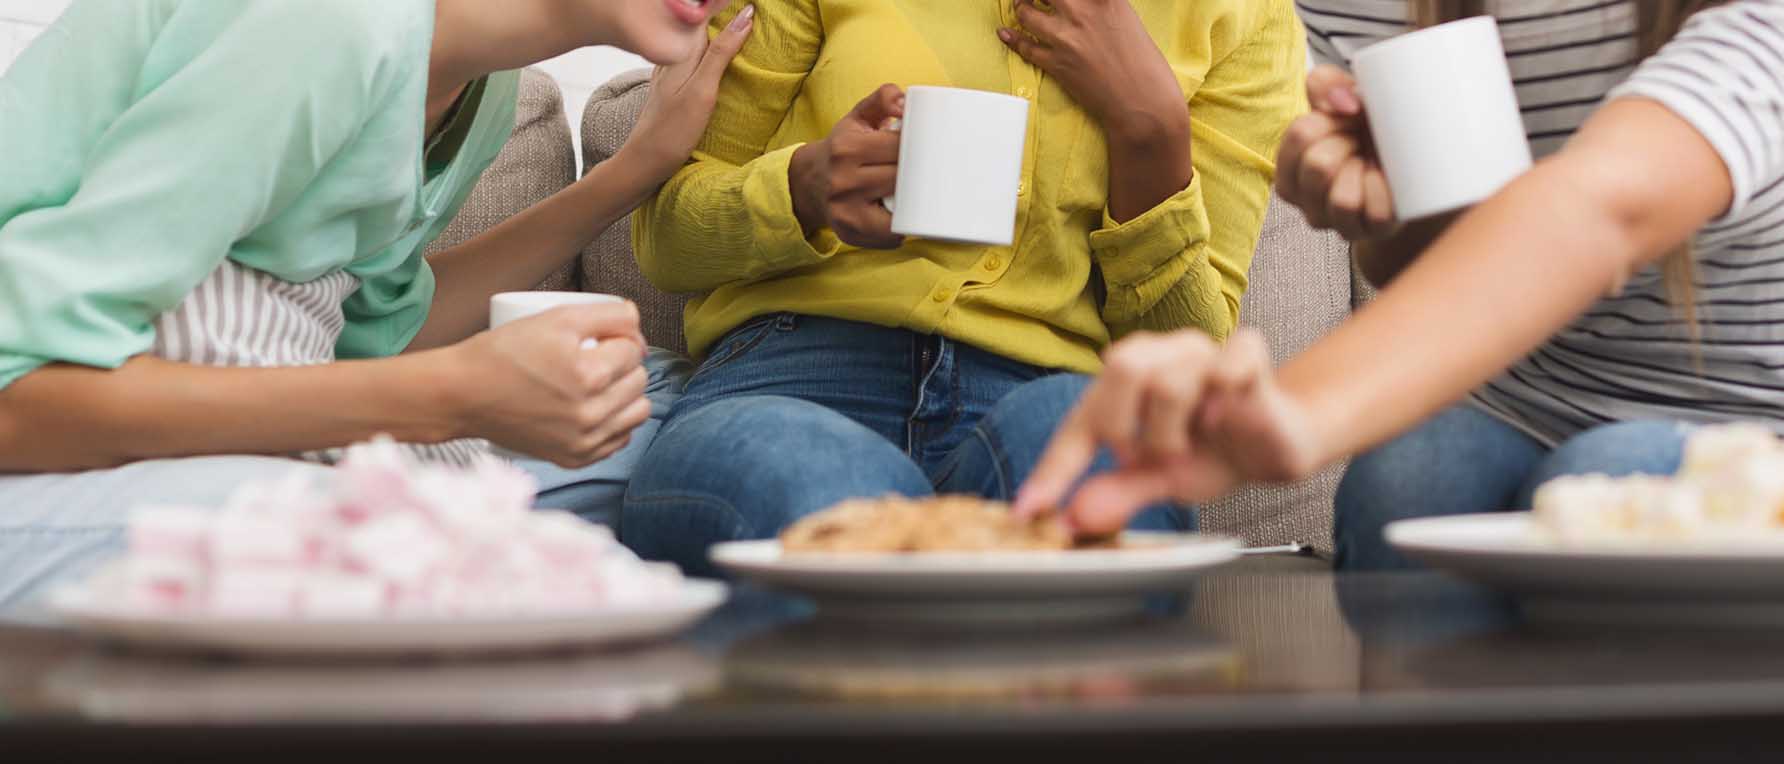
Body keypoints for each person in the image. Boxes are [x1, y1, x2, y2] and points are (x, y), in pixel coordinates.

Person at [1016, 0, 1784, 569]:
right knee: (1406, 480)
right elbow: (1447, 262)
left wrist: (1289, 412)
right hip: (1528, 411)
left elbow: (1605, 206)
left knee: (1608, 476)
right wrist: (1383, 212)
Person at [0, 0, 758, 614]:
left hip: (199, 423)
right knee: (421, 550)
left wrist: (634, 173)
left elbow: (376, 338)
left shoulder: (475, 86)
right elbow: (16, 405)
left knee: (662, 409)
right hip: (44, 442)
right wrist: (455, 398)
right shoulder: (322, 24)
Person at [622, 0, 1305, 574]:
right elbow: (664, 238)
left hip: (1057, 394)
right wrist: (800, 188)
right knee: (823, 507)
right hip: (792, 371)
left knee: (1089, 505)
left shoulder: (1246, 16)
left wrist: (1151, 128)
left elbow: (1190, 354)